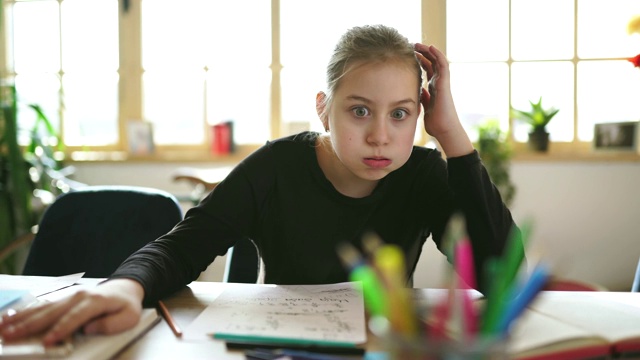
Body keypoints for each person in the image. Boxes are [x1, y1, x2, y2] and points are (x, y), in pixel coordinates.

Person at [0, 24, 520, 345]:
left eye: (401, 114)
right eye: (359, 110)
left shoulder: (424, 173)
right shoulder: (275, 168)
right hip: (279, 347)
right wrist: (124, 286)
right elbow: (184, 244)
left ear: (418, 116)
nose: (380, 135)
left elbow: (503, 273)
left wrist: (450, 134)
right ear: (323, 108)